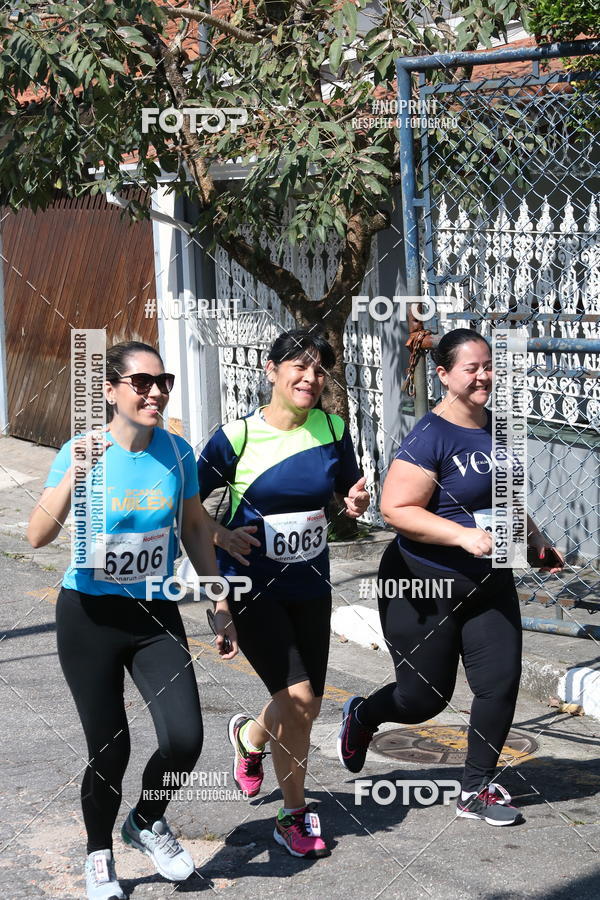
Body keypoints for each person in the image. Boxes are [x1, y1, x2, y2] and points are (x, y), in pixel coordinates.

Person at [27, 341, 237, 900]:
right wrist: (75, 472)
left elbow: (194, 528)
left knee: (185, 738)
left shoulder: (176, 451)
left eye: (162, 381)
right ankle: (99, 855)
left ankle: (146, 820)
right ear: (110, 391)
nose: (155, 392)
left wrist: (219, 602)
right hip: (89, 617)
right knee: (110, 746)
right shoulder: (81, 449)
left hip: (155, 614)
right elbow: (36, 535)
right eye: (141, 383)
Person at [337, 328, 564, 825]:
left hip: (490, 579)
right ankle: (363, 717)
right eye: (471, 368)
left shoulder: (501, 428)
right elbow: (395, 509)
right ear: (442, 375)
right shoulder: (430, 436)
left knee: (499, 684)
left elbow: (504, 499)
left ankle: (475, 789)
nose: (484, 376)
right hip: (423, 584)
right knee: (422, 699)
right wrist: (461, 537)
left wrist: (536, 539)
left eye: (489, 366)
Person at [197, 328, 369, 858]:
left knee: (308, 706)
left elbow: (345, 495)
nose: (310, 378)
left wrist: (354, 504)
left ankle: (250, 738)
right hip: (252, 585)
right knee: (296, 701)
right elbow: (184, 510)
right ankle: (292, 816)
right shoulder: (236, 437)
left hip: (310, 584)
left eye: (319, 370)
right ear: (271, 371)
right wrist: (220, 542)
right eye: (298, 366)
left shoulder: (334, 428)